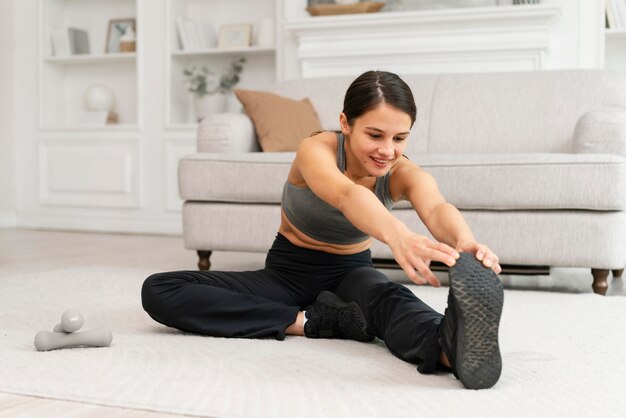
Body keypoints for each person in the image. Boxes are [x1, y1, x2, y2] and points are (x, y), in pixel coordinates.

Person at [142, 70, 504, 390]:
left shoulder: (404, 172)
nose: (387, 150)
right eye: (375, 135)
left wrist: (466, 243)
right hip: (287, 274)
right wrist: (398, 236)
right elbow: (346, 195)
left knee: (391, 302)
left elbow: (437, 207)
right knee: (160, 289)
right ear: (345, 123)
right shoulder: (316, 150)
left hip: (351, 273)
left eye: (399, 138)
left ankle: (449, 347)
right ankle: (310, 322)